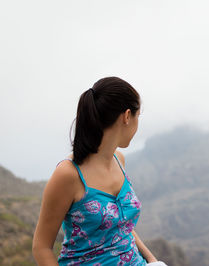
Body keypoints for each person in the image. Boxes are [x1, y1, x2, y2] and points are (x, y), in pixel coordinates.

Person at [32, 77, 167, 266]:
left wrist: (152, 260)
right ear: (127, 116)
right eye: (138, 116)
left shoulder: (119, 160)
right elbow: (41, 247)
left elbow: (121, 226)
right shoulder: (68, 174)